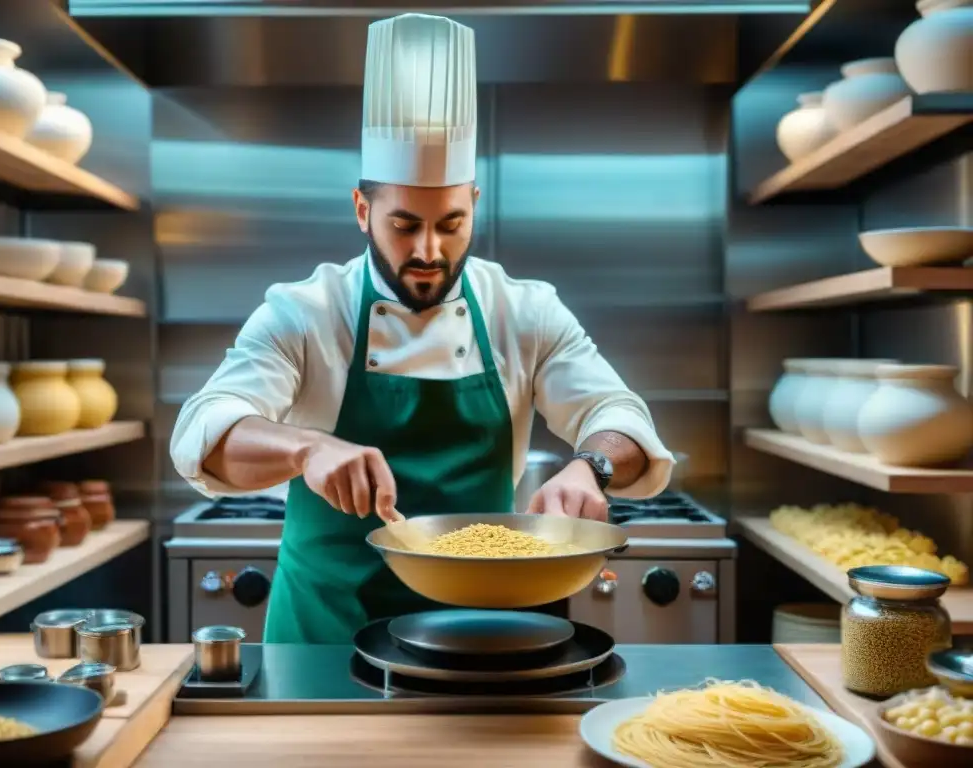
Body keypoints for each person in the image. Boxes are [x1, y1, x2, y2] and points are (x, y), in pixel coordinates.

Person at [170, 13, 675, 645]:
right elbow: (204, 428)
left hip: (490, 623)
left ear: (475, 207)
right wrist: (307, 448)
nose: (430, 250)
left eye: (452, 223)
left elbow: (618, 413)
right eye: (405, 225)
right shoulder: (304, 311)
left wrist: (591, 466)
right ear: (363, 210)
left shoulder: (524, 310)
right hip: (327, 629)